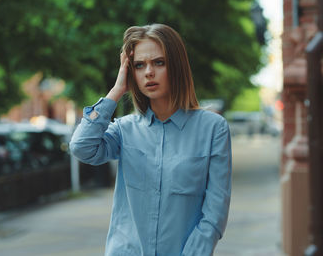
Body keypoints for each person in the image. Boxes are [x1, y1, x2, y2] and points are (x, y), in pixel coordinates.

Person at [69, 23, 232, 256]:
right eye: (139, 65)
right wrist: (116, 91)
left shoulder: (213, 129)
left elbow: (215, 211)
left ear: (177, 66)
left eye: (159, 62)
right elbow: (81, 147)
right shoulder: (125, 130)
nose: (148, 73)